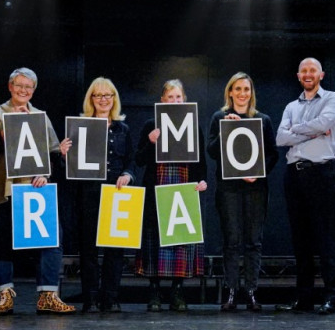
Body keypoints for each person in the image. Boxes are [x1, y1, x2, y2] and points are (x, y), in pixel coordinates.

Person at [0, 67, 75, 315]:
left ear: (34, 91)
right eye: (19, 85)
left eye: (28, 87)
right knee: (3, 242)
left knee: (51, 240)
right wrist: (11, 125)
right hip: (6, 188)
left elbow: (53, 153)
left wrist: (45, 173)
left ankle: (47, 295)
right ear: (10, 86)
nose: (23, 90)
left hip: (34, 190)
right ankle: (5, 295)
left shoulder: (40, 117)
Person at [274, 57, 335, 315]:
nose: (308, 73)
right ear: (298, 75)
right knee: (300, 240)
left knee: (325, 237)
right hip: (294, 174)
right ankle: (304, 298)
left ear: (321, 74)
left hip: (320, 173)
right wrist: (311, 131)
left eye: (312, 70)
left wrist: (298, 131)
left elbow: (324, 124)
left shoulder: (332, 99)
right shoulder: (291, 106)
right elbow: (281, 137)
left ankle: (331, 297)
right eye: (303, 70)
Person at [205, 72, 280, 312]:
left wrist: (259, 172)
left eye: (246, 89)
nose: (242, 93)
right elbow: (212, 151)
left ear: (251, 93)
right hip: (228, 188)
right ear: (230, 92)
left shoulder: (263, 119)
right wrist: (226, 128)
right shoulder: (220, 117)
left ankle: (251, 291)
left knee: (253, 241)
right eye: (237, 89)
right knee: (232, 241)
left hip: (255, 188)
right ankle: (231, 292)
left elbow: (272, 154)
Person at [134, 79, 208, 311]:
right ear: (162, 101)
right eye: (170, 97)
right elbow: (138, 160)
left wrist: (202, 181)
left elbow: (201, 162)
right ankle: (154, 290)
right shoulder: (150, 125)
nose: (175, 101)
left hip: (183, 185)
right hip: (157, 186)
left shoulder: (193, 126)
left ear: (184, 100)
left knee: (180, 240)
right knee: (155, 239)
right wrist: (151, 142)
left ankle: (177, 291)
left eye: (178, 97)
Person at [72, 77, 139, 313]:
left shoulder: (123, 128)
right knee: (88, 247)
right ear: (91, 99)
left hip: (116, 191)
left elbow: (131, 160)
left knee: (115, 249)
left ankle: (110, 297)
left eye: (108, 95)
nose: (103, 100)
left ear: (114, 99)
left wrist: (128, 175)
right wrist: (63, 153)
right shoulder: (80, 126)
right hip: (89, 191)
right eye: (98, 95)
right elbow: (69, 165)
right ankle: (90, 298)